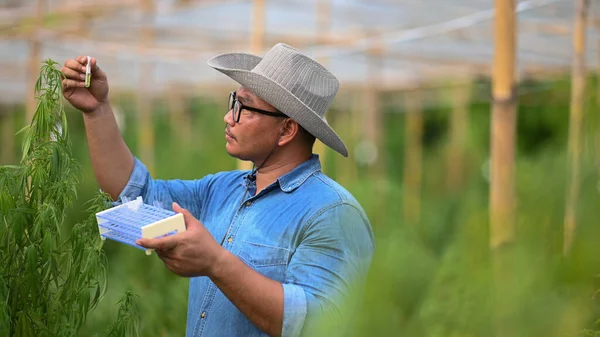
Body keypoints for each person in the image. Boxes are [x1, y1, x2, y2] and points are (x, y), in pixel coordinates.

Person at [61, 43, 374, 337]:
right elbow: (134, 195)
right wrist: (97, 110)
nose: (228, 117)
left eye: (244, 107)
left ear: (287, 130)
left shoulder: (332, 213)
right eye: (233, 102)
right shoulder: (222, 189)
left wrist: (216, 263)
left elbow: (317, 322)